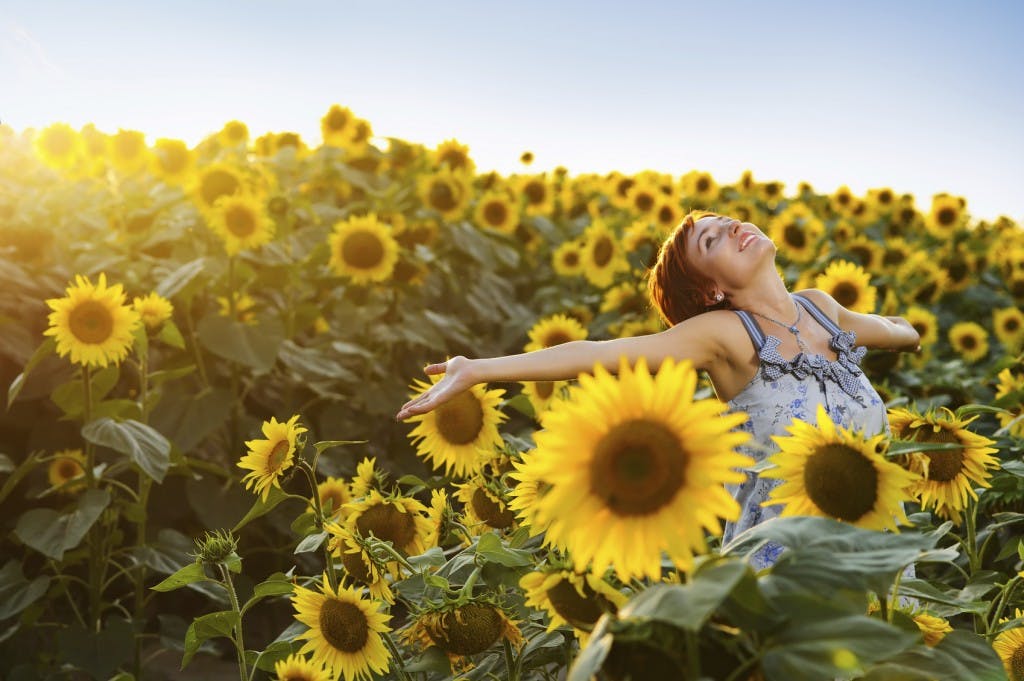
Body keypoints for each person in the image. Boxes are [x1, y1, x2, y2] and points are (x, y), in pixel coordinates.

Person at [394, 210, 921, 568]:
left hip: (877, 558)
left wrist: (906, 333)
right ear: (712, 289)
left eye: (726, 220)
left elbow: (897, 330)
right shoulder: (727, 336)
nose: (733, 226)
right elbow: (598, 355)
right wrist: (480, 368)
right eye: (711, 239)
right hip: (788, 579)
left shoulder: (822, 311)